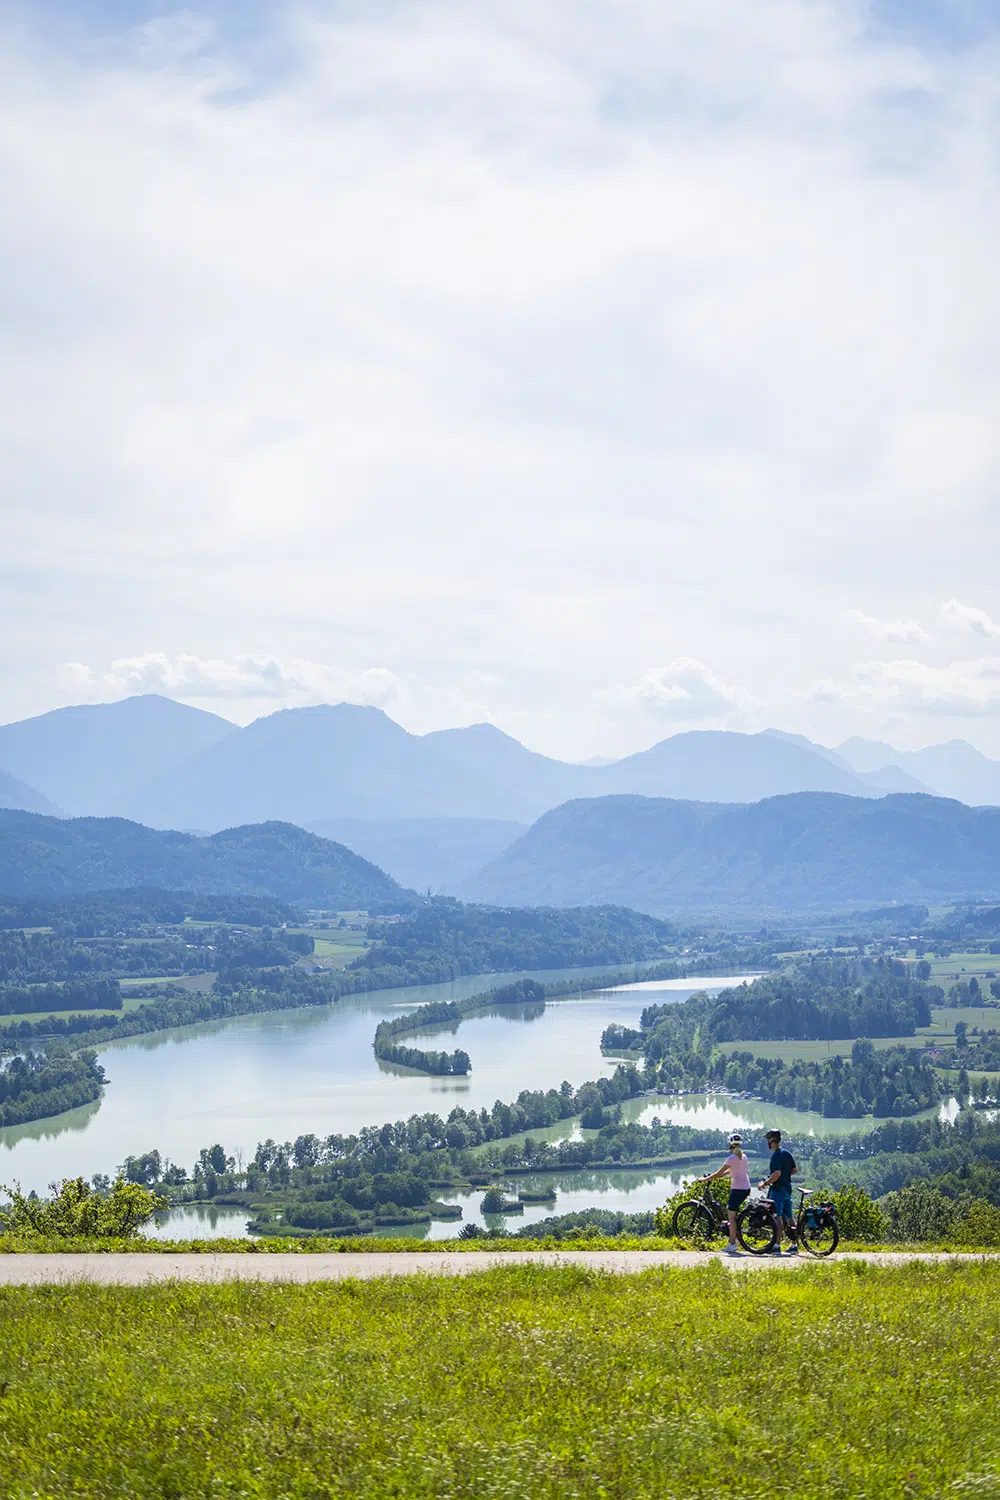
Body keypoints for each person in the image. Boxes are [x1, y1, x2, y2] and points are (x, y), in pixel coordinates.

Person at [697, 1131, 752, 1255]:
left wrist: (705, 1179)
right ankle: (735, 1238)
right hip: (746, 1188)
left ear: (730, 1145)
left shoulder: (731, 1158)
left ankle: (732, 1244)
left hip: (737, 1189)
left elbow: (719, 1172)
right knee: (734, 1214)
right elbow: (732, 1171)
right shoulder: (743, 1156)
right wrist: (719, 1176)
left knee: (731, 1217)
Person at [760, 1128, 798, 1255]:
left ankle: (776, 1245)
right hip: (787, 1189)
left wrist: (765, 1183)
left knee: (778, 1217)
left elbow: (776, 1173)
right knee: (790, 1216)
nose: (768, 1143)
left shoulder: (776, 1155)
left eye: (768, 1140)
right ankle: (794, 1244)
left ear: (772, 1140)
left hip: (778, 1190)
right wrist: (785, 1177)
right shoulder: (786, 1153)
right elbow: (794, 1170)